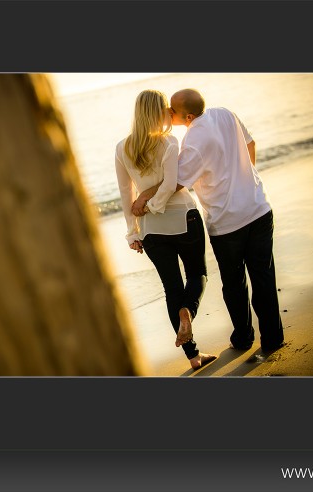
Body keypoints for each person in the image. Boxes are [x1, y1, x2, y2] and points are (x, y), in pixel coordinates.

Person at [133, 89, 285, 358]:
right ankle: (273, 339)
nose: (168, 112)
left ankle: (243, 338)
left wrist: (144, 195)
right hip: (259, 208)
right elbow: (250, 144)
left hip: (228, 224)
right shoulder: (226, 113)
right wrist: (246, 178)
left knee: (234, 283)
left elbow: (175, 182)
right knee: (264, 277)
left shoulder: (193, 141)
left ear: (188, 115)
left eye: (172, 110)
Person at [114, 90, 216, 370]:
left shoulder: (122, 147)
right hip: (184, 219)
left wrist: (133, 231)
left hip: (151, 231)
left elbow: (126, 193)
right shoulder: (169, 141)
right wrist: (156, 204)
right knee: (198, 274)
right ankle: (189, 313)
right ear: (159, 112)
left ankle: (193, 356)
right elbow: (171, 184)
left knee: (172, 288)